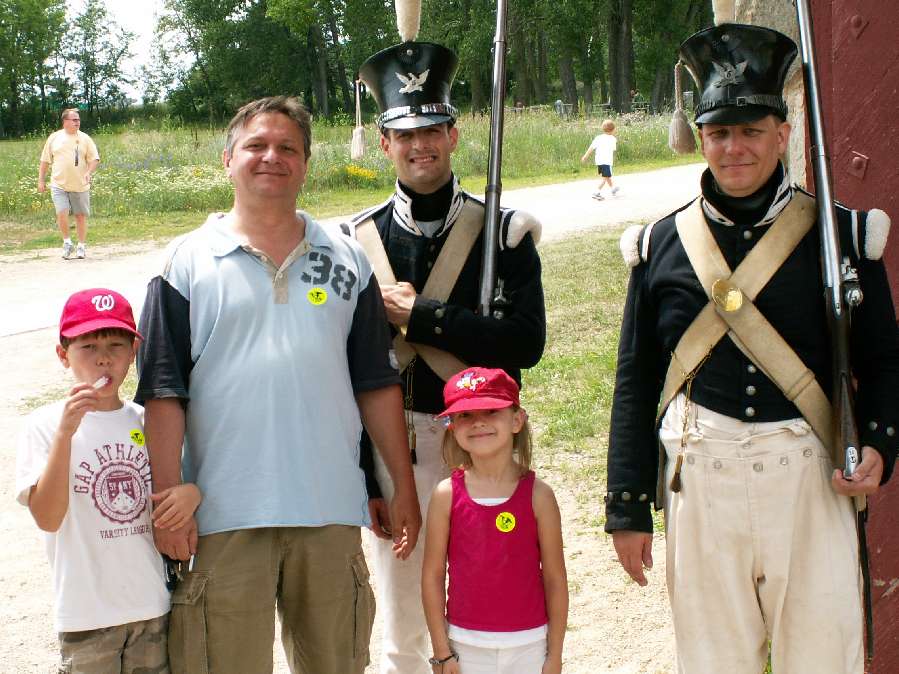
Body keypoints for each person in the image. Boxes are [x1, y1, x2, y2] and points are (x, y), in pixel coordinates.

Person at [606, 23, 899, 674]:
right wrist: (626, 506)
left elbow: (883, 360)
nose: (733, 148)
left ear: (782, 134)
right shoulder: (659, 246)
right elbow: (636, 380)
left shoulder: (843, 236)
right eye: (718, 133)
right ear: (700, 137)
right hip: (700, 477)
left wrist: (879, 443)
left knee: (822, 658)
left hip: (809, 476)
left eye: (750, 131)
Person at [135, 96, 421, 674]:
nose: (272, 157)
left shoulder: (348, 260)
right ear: (228, 159)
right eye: (256, 145)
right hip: (221, 512)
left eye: (288, 147)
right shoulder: (185, 263)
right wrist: (168, 504)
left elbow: (375, 384)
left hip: (328, 509)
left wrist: (401, 486)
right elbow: (163, 391)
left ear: (306, 164)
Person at [350, 41, 546, 674]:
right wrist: (366, 476)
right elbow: (350, 372)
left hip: (481, 437)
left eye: (432, 131)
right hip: (398, 445)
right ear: (385, 143)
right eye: (405, 135)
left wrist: (424, 317)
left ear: (454, 136)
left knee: (493, 593)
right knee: (406, 614)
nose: (420, 146)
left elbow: (526, 344)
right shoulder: (357, 242)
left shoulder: (505, 233)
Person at [14, 287, 200, 673]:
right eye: (88, 347)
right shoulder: (44, 426)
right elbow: (48, 517)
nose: (103, 359)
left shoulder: (148, 422)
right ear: (62, 355)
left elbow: (175, 487)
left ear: (134, 352)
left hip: (151, 605)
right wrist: (66, 434)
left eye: (116, 345)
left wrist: (192, 494)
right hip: (86, 614)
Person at [422, 367, 568, 674]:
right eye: (465, 415)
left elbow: (555, 579)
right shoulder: (445, 495)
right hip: (464, 645)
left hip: (529, 644)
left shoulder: (539, 495)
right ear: (452, 426)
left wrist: (554, 654)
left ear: (516, 420)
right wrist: (441, 652)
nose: (478, 422)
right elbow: (432, 576)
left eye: (491, 411)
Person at [38, 108, 100, 260]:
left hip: (80, 184)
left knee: (80, 216)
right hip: (58, 184)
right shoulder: (54, 138)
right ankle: (67, 243)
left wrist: (88, 172)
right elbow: (45, 160)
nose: (77, 122)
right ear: (65, 121)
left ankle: (81, 246)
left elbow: (94, 159)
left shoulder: (85, 138)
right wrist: (41, 180)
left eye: (78, 119)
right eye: (74, 120)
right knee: (62, 212)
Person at [580, 119, 619, 200]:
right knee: (605, 177)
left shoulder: (598, 138)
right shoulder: (613, 139)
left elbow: (591, 148)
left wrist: (585, 156)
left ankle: (612, 188)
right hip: (607, 161)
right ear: (612, 130)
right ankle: (596, 192)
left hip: (599, 161)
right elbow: (613, 150)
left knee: (606, 176)